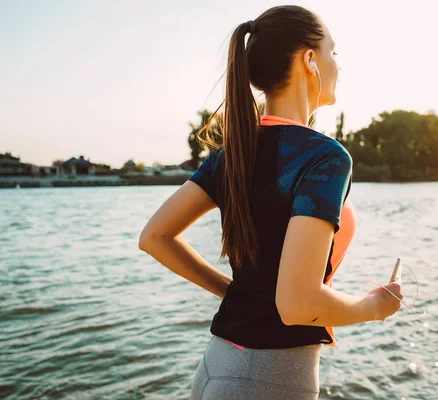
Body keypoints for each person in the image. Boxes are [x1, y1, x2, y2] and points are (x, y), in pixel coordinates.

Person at [138, 5, 403, 399]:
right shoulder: (324, 157)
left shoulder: (234, 154)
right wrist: (375, 307)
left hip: (216, 367)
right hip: (270, 378)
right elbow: (297, 305)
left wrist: (232, 292)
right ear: (310, 60)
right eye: (333, 53)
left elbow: (154, 237)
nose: (338, 66)